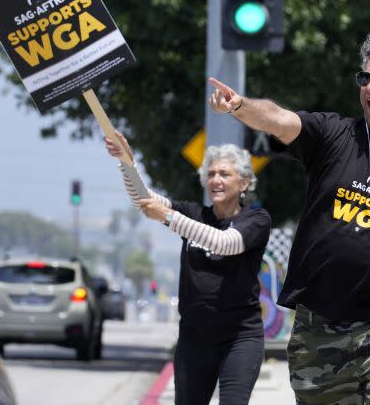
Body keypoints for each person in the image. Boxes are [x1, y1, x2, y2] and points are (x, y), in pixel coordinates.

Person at [208, 33, 370, 404]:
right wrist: (239, 105)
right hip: (320, 330)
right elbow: (279, 120)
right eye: (365, 78)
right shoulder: (333, 134)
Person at [105, 131, 271, 405]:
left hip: (239, 339)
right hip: (194, 340)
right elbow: (143, 199)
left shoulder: (256, 219)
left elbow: (224, 243)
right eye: (211, 173)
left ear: (244, 183)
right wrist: (127, 163)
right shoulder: (194, 214)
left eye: (224, 174)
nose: (216, 180)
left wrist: (170, 218)